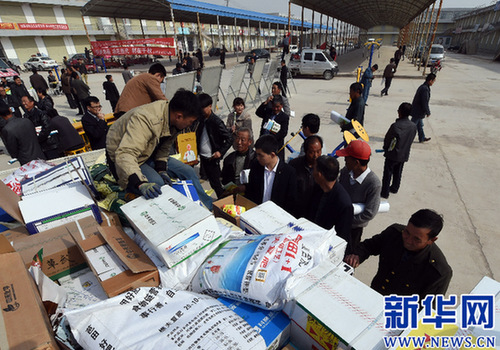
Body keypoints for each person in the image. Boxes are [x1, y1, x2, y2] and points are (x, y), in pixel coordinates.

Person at [106, 90, 200, 200]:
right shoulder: (145, 119)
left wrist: (162, 170)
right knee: (157, 184)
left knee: (188, 172)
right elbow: (125, 154)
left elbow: (164, 147)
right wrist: (140, 183)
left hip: (147, 151)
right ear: (179, 116)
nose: (191, 125)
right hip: (124, 157)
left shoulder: (173, 118)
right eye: (191, 121)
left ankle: (207, 209)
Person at [344, 209, 452, 299]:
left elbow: (427, 309)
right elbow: (369, 246)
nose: (408, 241)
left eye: (416, 239)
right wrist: (356, 255)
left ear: (432, 240)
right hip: (375, 295)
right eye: (407, 232)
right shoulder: (394, 233)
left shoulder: (439, 272)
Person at [336, 140, 381, 253]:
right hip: (337, 222)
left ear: (356, 162)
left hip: (353, 230)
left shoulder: (373, 183)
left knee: (348, 256)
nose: (345, 160)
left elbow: (369, 213)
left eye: (347, 157)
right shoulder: (346, 172)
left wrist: (346, 220)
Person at [244, 134, 297, 215]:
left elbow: (290, 201)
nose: (257, 158)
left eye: (260, 155)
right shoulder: (256, 166)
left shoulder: (289, 173)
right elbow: (251, 191)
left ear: (272, 155)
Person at [308, 155, 353, 246]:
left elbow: (341, 238)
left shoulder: (343, 203)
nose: (312, 172)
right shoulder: (317, 188)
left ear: (320, 175)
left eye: (314, 169)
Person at [196, 93, 233, 199]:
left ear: (210, 106)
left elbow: (230, 138)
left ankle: (224, 202)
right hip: (203, 156)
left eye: (203, 108)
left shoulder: (216, 121)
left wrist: (220, 152)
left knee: (217, 183)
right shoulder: (200, 119)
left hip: (212, 157)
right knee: (212, 182)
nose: (201, 110)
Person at [381, 102, 417, 198]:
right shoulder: (413, 126)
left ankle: (385, 192)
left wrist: (385, 148)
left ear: (399, 112)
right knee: (398, 171)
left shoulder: (395, 126)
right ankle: (394, 188)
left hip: (392, 154)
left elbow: (388, 139)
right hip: (404, 153)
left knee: (388, 173)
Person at [289, 135, 323, 218]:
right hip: (296, 212)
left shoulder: (324, 167)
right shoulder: (294, 165)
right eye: (312, 152)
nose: (315, 155)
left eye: (318, 151)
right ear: (306, 151)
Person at [256, 94, 289, 161]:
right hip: (263, 141)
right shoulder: (268, 111)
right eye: (274, 106)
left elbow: (283, 132)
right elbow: (258, 113)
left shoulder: (284, 117)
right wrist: (266, 102)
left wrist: (271, 139)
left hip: (275, 144)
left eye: (278, 107)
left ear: (281, 106)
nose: (275, 109)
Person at [410, 73, 435, 143]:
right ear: (430, 81)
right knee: (412, 126)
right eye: (433, 81)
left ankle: (422, 137)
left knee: (420, 125)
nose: (433, 83)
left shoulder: (424, 87)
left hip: (418, 110)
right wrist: (427, 111)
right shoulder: (425, 89)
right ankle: (405, 137)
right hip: (418, 111)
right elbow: (424, 102)